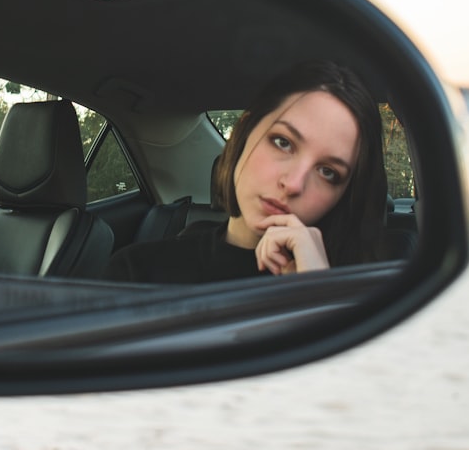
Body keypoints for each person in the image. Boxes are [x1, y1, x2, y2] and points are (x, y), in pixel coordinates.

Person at [103, 60, 388, 283]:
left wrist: (316, 293)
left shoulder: (367, 293)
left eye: (328, 172)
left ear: (344, 195)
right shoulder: (138, 272)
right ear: (245, 132)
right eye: (283, 142)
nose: (293, 184)